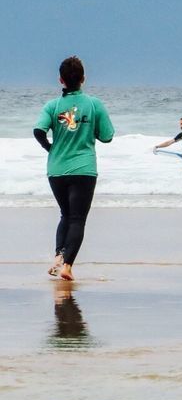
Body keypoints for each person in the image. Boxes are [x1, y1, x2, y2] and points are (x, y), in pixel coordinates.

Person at [33, 56, 114, 281]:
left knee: (65, 214)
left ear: (61, 80)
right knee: (77, 218)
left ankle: (58, 257)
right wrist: (89, 128)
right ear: (83, 79)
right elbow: (107, 136)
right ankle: (67, 265)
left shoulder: (52, 106)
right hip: (83, 169)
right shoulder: (94, 104)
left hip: (56, 170)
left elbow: (38, 131)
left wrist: (50, 148)